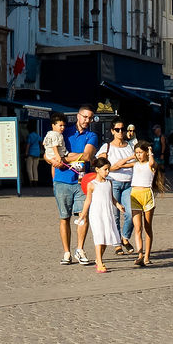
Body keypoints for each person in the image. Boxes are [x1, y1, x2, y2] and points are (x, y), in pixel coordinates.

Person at [50, 106, 99, 265]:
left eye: (90, 118)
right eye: (84, 117)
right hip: (62, 180)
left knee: (82, 216)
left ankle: (80, 249)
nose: (87, 120)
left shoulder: (92, 135)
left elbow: (86, 156)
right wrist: (53, 158)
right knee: (64, 217)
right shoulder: (64, 131)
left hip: (82, 182)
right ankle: (66, 252)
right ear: (78, 116)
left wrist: (63, 158)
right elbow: (49, 152)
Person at [102, 124, 135, 249]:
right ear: (112, 131)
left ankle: (125, 238)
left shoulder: (130, 146)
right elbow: (104, 166)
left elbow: (136, 162)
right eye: (117, 129)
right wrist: (124, 163)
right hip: (113, 182)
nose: (120, 132)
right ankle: (117, 243)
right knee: (115, 215)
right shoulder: (107, 147)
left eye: (122, 129)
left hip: (129, 183)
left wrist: (120, 165)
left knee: (130, 213)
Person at [84, 161, 120, 273]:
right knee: (99, 236)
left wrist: (118, 205)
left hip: (107, 213)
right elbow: (88, 200)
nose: (107, 171)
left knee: (106, 237)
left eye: (108, 169)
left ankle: (98, 259)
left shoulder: (109, 182)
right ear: (97, 169)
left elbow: (111, 197)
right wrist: (83, 213)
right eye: (105, 169)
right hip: (96, 214)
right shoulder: (92, 184)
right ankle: (99, 262)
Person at [129, 144, 159, 266]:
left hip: (147, 194)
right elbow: (117, 166)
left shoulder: (150, 165)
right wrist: (128, 158)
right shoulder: (135, 165)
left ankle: (147, 256)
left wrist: (150, 151)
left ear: (146, 153)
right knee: (137, 228)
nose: (138, 155)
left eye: (141, 152)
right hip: (135, 194)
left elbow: (152, 163)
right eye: (136, 152)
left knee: (147, 227)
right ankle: (140, 254)